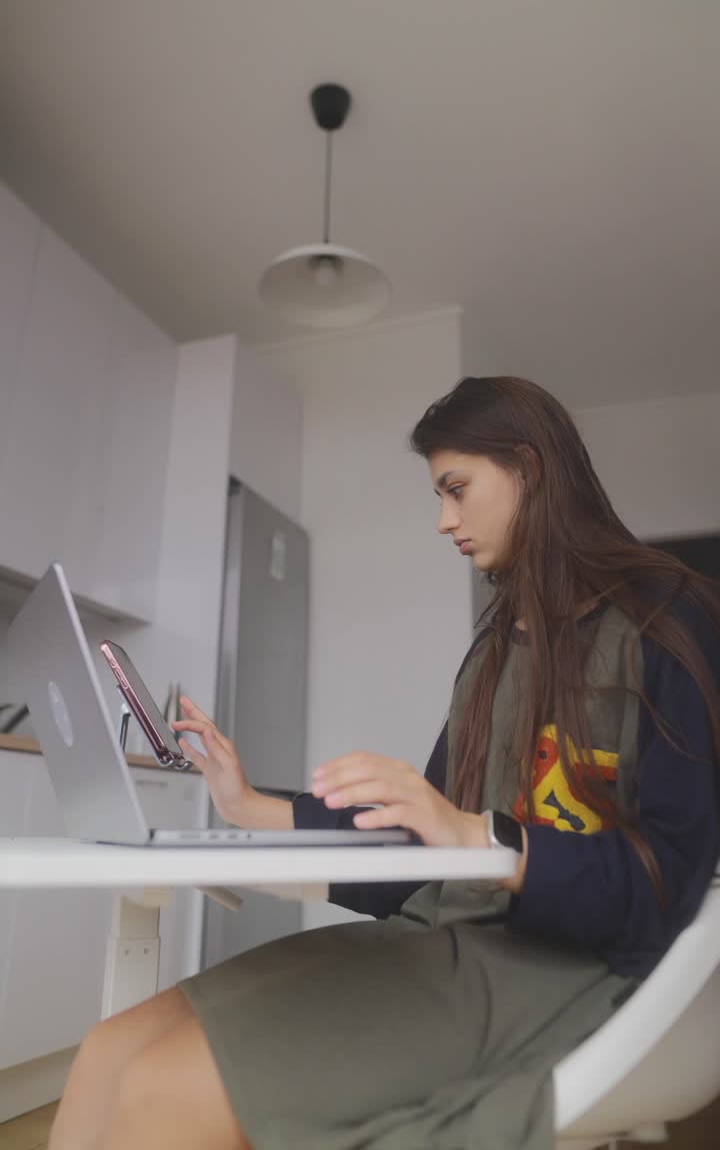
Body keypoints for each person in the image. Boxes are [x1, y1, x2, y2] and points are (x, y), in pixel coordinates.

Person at [48, 376, 720, 1150]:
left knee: (161, 1093)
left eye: (457, 489)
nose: (444, 520)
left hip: (559, 969)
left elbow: (666, 884)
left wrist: (481, 840)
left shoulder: (668, 622)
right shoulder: (496, 652)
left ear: (530, 470)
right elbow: (414, 857)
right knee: (107, 1053)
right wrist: (249, 806)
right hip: (435, 941)